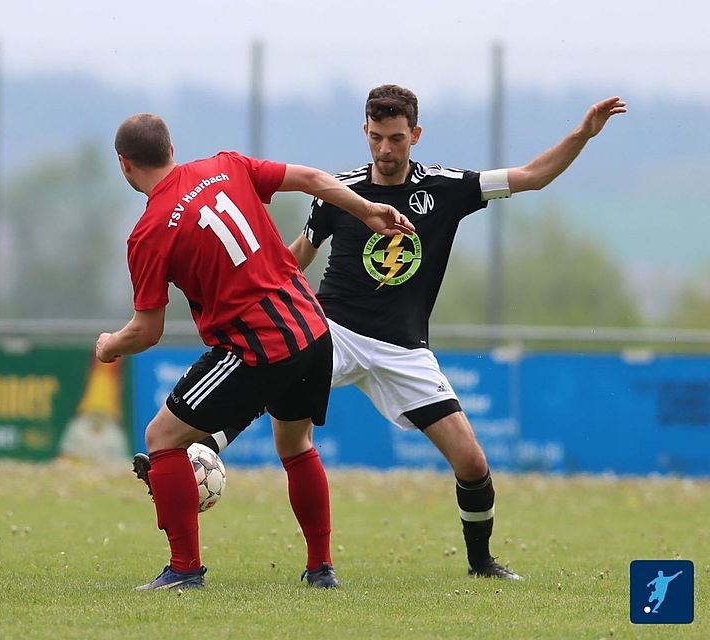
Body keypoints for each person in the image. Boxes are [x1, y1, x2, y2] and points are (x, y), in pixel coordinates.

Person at [140, 85, 626, 581]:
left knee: (472, 462)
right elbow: (299, 255)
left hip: (404, 350)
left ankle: (482, 564)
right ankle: (202, 448)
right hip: (332, 331)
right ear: (365, 132)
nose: (385, 150)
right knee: (277, 383)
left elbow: (532, 177)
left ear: (415, 135)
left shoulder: (446, 187)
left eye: (396, 138)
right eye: (376, 137)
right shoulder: (340, 192)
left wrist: (582, 134)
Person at [99, 113, 414, 591]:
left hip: (257, 344)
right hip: (312, 327)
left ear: (124, 164)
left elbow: (147, 331)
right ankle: (320, 568)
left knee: (162, 436)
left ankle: (184, 570)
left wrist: (109, 345)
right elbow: (310, 178)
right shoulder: (225, 165)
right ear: (170, 147)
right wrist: (366, 210)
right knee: (295, 445)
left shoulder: (148, 233)